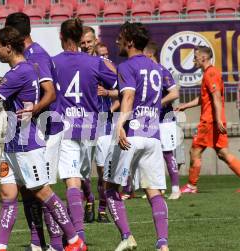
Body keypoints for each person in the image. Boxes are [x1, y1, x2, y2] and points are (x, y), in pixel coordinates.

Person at [0, 26, 87, 251]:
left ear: (9, 47)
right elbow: (6, 88)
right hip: (12, 144)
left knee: (43, 191)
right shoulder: (25, 70)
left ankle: (74, 240)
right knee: (7, 194)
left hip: (26, 144)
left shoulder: (20, 72)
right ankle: (0, 246)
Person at [0, 12, 60, 250]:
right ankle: (37, 241)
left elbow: (50, 92)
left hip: (41, 130)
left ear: (13, 35)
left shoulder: (36, 55)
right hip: (20, 134)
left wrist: (34, 110)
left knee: (41, 189)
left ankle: (61, 242)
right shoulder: (21, 62)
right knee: (27, 192)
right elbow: (9, 88)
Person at [103, 22, 169, 251]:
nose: (117, 42)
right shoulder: (155, 67)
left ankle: (127, 236)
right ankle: (162, 244)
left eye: (120, 38)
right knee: (154, 191)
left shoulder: (126, 66)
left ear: (130, 41)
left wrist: (121, 125)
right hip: (153, 135)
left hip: (132, 135)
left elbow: (128, 98)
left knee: (110, 188)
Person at [52, 17, 118, 243]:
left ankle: (77, 235)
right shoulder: (95, 62)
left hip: (65, 126)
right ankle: (80, 225)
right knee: (81, 177)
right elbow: (114, 82)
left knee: (72, 180)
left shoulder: (54, 62)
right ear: (81, 38)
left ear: (61, 37)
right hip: (90, 127)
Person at [176, 46, 240, 194]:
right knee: (223, 153)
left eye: (196, 57)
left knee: (195, 150)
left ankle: (191, 185)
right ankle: (191, 186)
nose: (194, 60)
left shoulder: (211, 73)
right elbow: (203, 98)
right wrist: (185, 106)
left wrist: (217, 119)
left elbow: (216, 96)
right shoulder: (208, 74)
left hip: (210, 122)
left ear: (204, 58)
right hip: (214, 121)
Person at [80, 27, 118, 224]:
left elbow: (124, 90)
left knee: (103, 171)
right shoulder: (76, 64)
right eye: (83, 42)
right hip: (82, 123)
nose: (86, 46)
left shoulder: (106, 64)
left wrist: (108, 93)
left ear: (96, 41)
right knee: (82, 173)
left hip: (103, 123)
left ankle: (103, 209)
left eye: (89, 41)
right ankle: (89, 199)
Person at [143, 41, 181, 200]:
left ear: (150, 55)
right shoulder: (148, 72)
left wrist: (158, 104)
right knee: (151, 153)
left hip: (165, 119)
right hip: (151, 119)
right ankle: (157, 187)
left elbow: (174, 94)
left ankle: (176, 189)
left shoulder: (162, 71)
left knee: (167, 153)